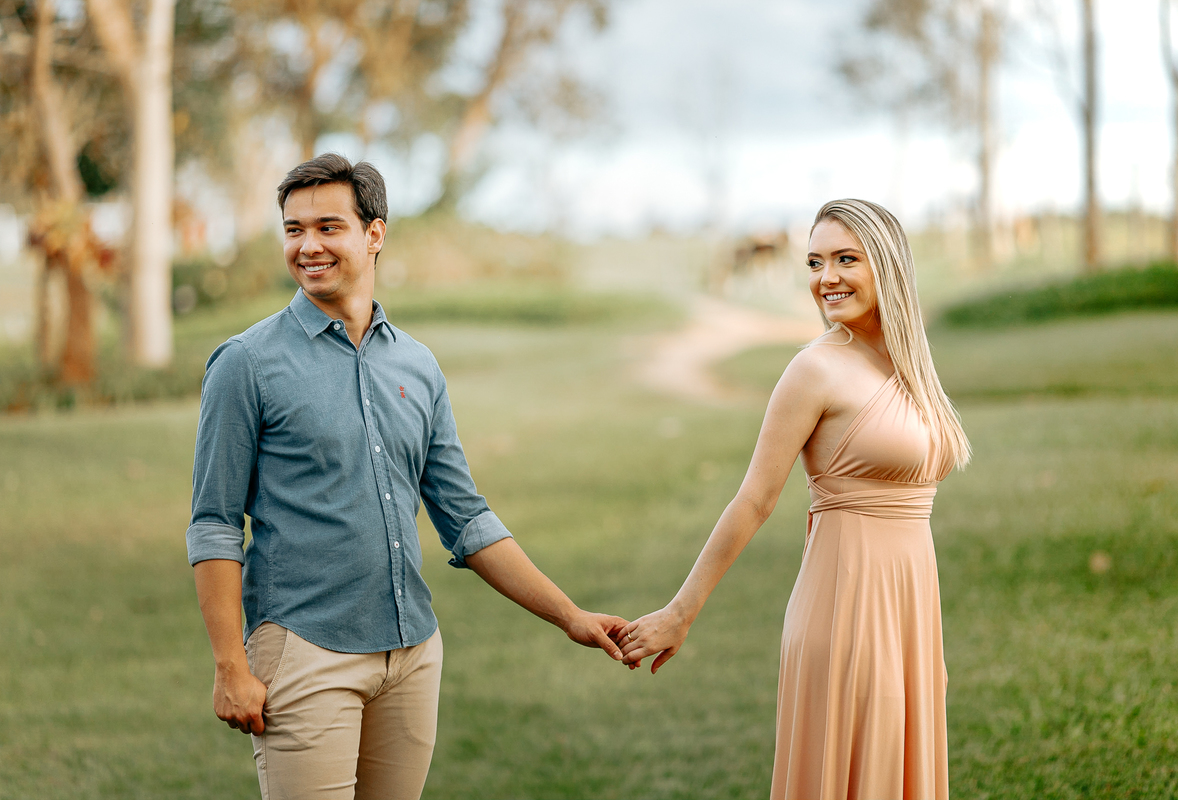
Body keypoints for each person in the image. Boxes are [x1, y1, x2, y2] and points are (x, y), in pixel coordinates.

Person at [186, 153, 627, 800]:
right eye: (293, 230)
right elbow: (215, 524)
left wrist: (570, 616)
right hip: (306, 651)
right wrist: (230, 665)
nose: (307, 246)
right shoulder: (245, 364)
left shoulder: (418, 365)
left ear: (374, 234)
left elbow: (466, 519)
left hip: (413, 655)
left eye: (328, 227)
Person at [617, 199, 971, 800]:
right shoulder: (814, 370)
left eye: (845, 259)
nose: (826, 277)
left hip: (911, 608)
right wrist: (681, 612)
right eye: (814, 262)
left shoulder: (912, 365)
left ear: (886, 264)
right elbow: (754, 500)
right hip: (846, 607)